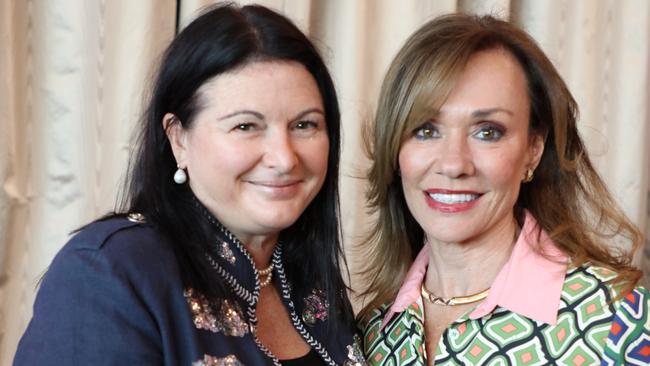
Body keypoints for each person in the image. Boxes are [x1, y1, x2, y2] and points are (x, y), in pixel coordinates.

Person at [14, 4, 366, 365]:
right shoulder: (108, 271)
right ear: (179, 139)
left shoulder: (309, 282)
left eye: (305, 125)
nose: (284, 158)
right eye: (246, 126)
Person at [358, 13, 649, 365]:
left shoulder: (618, 320)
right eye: (425, 129)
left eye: (487, 132)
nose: (453, 164)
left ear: (533, 151)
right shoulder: (370, 334)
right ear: (395, 149)